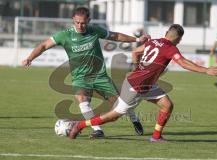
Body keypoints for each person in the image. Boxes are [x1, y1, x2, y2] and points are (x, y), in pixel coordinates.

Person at [68, 24, 217, 142]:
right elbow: (183, 63)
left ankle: (156, 137)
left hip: (145, 84)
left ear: (166, 33)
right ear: (179, 39)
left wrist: (137, 68)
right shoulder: (170, 48)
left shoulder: (154, 41)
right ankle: (80, 125)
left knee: (167, 105)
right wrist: (205, 70)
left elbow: (135, 52)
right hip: (137, 86)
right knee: (114, 116)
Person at [22, 7, 148, 138]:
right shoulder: (64, 35)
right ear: (73, 20)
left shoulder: (94, 30)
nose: (80, 25)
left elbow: (115, 36)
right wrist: (30, 58)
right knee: (82, 99)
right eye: (77, 22)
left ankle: (134, 119)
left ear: (88, 20)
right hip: (80, 78)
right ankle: (97, 130)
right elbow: (43, 46)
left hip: (100, 77)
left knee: (120, 104)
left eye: (83, 23)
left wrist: (137, 40)